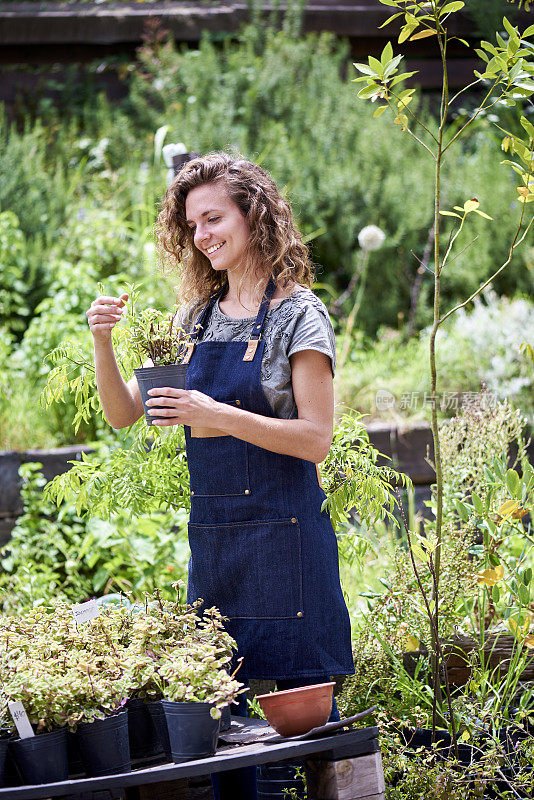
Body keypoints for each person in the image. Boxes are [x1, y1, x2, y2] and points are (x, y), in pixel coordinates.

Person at [86, 152, 354, 799]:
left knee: (308, 730)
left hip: (288, 548)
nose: (203, 235)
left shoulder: (298, 316)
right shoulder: (195, 321)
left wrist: (217, 413)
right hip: (217, 549)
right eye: (193, 224)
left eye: (214, 217)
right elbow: (127, 414)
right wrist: (102, 341)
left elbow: (316, 439)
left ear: (252, 214)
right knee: (223, 740)